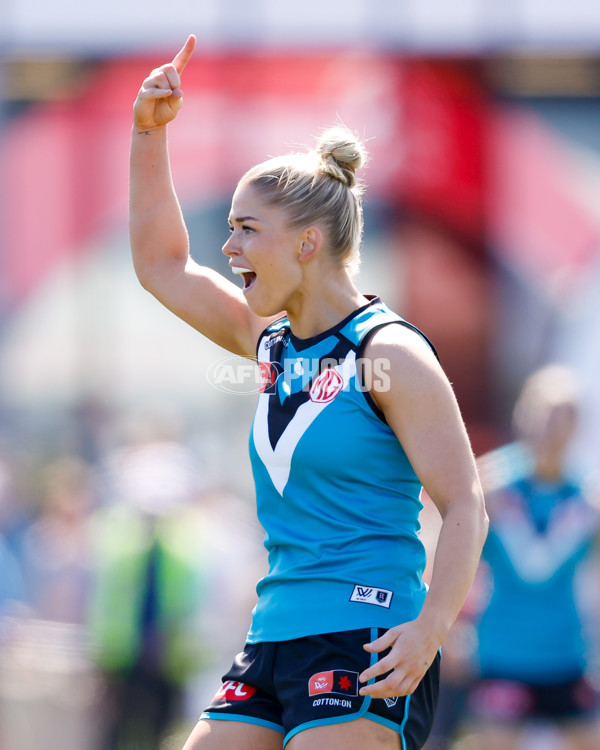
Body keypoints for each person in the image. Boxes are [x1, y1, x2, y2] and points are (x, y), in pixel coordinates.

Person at [129, 35, 488, 750]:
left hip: (365, 636)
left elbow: (464, 503)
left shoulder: (389, 352)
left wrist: (429, 631)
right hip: (273, 635)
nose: (228, 250)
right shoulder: (268, 343)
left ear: (307, 243)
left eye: (245, 230)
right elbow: (162, 264)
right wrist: (148, 134)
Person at [469, 365, 600, 750]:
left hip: (566, 653)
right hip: (503, 651)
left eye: (562, 417)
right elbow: (451, 555)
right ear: (522, 415)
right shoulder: (489, 485)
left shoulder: (586, 496)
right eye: (541, 414)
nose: (549, 427)